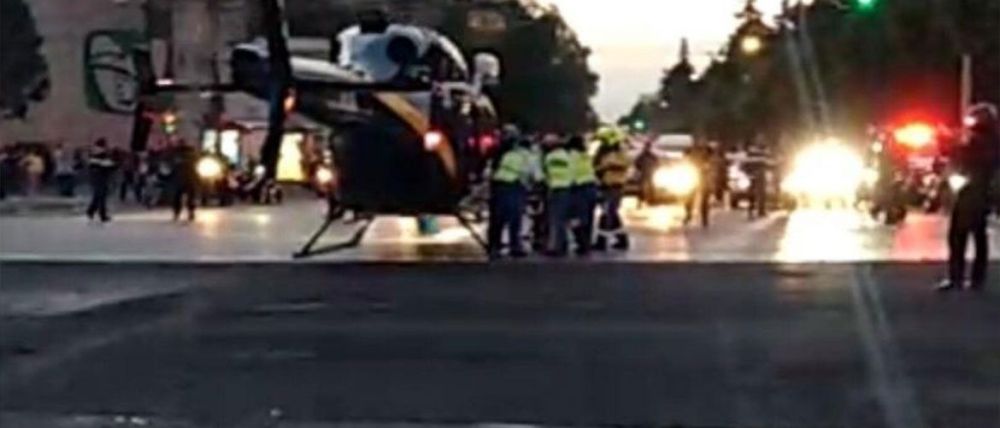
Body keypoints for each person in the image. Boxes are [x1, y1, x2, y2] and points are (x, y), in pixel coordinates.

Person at [938, 103, 1000, 292]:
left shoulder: (990, 144)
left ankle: (970, 278)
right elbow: (956, 158)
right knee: (962, 235)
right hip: (967, 191)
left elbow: (986, 166)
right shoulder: (970, 141)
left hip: (978, 192)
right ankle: (960, 277)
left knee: (971, 235)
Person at [487, 130, 541, 258]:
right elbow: (538, 176)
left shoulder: (509, 154)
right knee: (514, 218)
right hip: (515, 187)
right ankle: (514, 246)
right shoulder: (530, 157)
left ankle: (494, 246)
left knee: (498, 218)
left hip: (499, 185)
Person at [593, 128, 631, 251]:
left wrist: (604, 167)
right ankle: (622, 239)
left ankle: (602, 241)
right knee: (612, 214)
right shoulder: (602, 153)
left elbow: (622, 164)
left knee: (607, 213)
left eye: (603, 140)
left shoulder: (619, 153)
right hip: (604, 185)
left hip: (615, 186)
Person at [543, 134, 574, 256]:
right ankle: (563, 244)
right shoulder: (567, 156)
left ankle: (556, 247)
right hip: (567, 188)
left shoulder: (549, 157)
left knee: (555, 219)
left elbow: (546, 174)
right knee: (562, 219)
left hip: (555, 189)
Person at [568, 135, 597, 255]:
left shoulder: (571, 156)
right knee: (588, 219)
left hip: (579, 189)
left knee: (577, 218)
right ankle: (587, 243)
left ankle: (582, 243)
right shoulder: (585, 156)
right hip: (591, 187)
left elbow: (570, 172)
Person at [683, 141, 713, 227]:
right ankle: (688, 214)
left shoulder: (707, 150)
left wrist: (706, 166)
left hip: (703, 176)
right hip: (692, 174)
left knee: (705, 199)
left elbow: (711, 160)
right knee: (688, 197)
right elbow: (685, 157)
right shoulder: (690, 150)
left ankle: (705, 218)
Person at [169, 139, 199, 221]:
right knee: (183, 197)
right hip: (185, 178)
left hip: (183, 178)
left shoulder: (176, 153)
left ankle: (183, 213)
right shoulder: (189, 153)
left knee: (182, 197)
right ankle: (185, 212)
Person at [86, 138, 116, 222]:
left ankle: (91, 211)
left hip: (95, 177)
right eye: (106, 145)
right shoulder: (102, 155)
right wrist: (114, 165)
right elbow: (108, 165)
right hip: (101, 177)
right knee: (102, 196)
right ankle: (102, 215)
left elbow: (92, 165)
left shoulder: (93, 154)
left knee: (97, 195)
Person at [635, 140, 658, 208]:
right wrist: (640, 168)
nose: (647, 148)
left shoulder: (652, 156)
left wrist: (654, 169)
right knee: (642, 188)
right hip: (644, 173)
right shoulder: (642, 156)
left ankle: (651, 200)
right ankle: (641, 201)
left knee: (650, 187)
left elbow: (657, 163)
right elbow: (636, 163)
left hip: (649, 173)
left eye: (648, 147)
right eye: (646, 147)